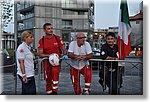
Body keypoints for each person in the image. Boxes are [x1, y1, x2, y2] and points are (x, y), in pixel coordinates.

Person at [38, 23, 68, 95]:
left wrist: (64, 54)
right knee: (48, 79)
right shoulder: (42, 40)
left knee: (55, 77)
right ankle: (49, 93)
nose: (51, 30)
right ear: (44, 30)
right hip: (46, 62)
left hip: (56, 63)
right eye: (48, 29)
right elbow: (40, 53)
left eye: (51, 28)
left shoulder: (57, 38)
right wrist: (51, 56)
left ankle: (55, 92)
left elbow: (64, 49)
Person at [16, 30, 36, 95]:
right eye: (31, 37)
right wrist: (24, 75)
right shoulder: (22, 48)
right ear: (25, 38)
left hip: (29, 72)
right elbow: (21, 62)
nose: (33, 38)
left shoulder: (27, 47)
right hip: (27, 74)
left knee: (25, 92)